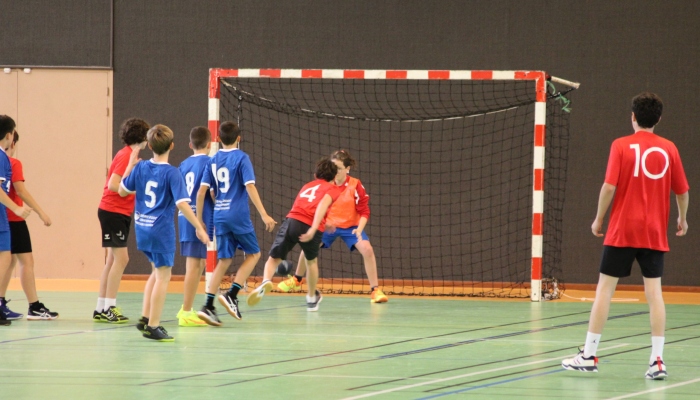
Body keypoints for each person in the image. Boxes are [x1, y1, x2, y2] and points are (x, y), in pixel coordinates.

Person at [561, 92, 689, 380]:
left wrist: (598, 218)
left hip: (622, 230)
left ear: (633, 117)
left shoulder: (621, 145)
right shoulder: (669, 148)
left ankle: (589, 355)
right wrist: (682, 218)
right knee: (654, 294)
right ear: (658, 119)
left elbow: (608, 187)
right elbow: (682, 191)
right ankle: (657, 361)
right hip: (654, 232)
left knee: (604, 290)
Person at [119, 124, 209, 341]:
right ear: (172, 145)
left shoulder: (140, 168)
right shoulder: (172, 172)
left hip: (142, 228)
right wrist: (199, 226)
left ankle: (145, 317)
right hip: (161, 232)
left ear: (149, 146)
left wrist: (130, 166)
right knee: (163, 276)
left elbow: (122, 190)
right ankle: (153, 326)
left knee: (155, 271)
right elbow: (183, 204)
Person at [277, 149, 388, 303]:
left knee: (367, 249)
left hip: (351, 227)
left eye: (339, 168)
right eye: (333, 167)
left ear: (347, 169)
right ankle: (297, 279)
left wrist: (360, 228)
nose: (335, 171)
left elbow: (364, 210)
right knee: (308, 248)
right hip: (329, 226)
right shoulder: (326, 184)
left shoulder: (355, 185)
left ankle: (375, 290)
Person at [195, 121, 276, 326]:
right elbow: (250, 187)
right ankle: (232, 294)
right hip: (237, 215)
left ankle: (208, 305)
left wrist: (199, 221)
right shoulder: (242, 158)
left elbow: (203, 192)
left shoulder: (211, 161)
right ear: (238, 138)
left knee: (224, 261)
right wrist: (264, 214)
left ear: (218, 139)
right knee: (254, 254)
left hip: (219, 215)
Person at [247, 157, 341, 312]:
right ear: (333, 177)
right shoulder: (333, 189)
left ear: (316, 175)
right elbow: (322, 205)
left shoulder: (307, 185)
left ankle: (265, 281)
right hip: (310, 225)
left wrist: (324, 222)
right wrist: (313, 228)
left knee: (273, 259)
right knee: (311, 262)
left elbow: (304, 206)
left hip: (292, 221)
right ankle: (311, 299)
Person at [95, 118, 150, 323]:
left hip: (120, 212)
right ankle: (110, 306)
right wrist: (130, 169)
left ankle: (101, 307)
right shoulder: (126, 155)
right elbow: (113, 185)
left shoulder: (131, 155)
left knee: (111, 260)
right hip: (112, 211)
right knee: (122, 259)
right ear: (143, 137)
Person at [0, 131, 57, 320]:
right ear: (11, 140)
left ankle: (1, 302)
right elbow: (21, 191)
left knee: (9, 262)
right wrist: (41, 212)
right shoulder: (12, 163)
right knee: (26, 261)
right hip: (13, 219)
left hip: (6, 217)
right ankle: (34, 306)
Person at [175, 127, 214, 327]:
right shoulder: (210, 162)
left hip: (184, 216)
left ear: (190, 145)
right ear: (210, 143)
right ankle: (186, 310)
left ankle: (187, 308)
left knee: (198, 264)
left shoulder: (183, 164)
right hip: (199, 218)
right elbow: (209, 193)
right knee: (194, 265)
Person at [0, 116, 32, 326]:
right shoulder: (3, 158)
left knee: (7, 258)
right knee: (5, 258)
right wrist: (17, 208)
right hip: (2, 215)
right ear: (10, 135)